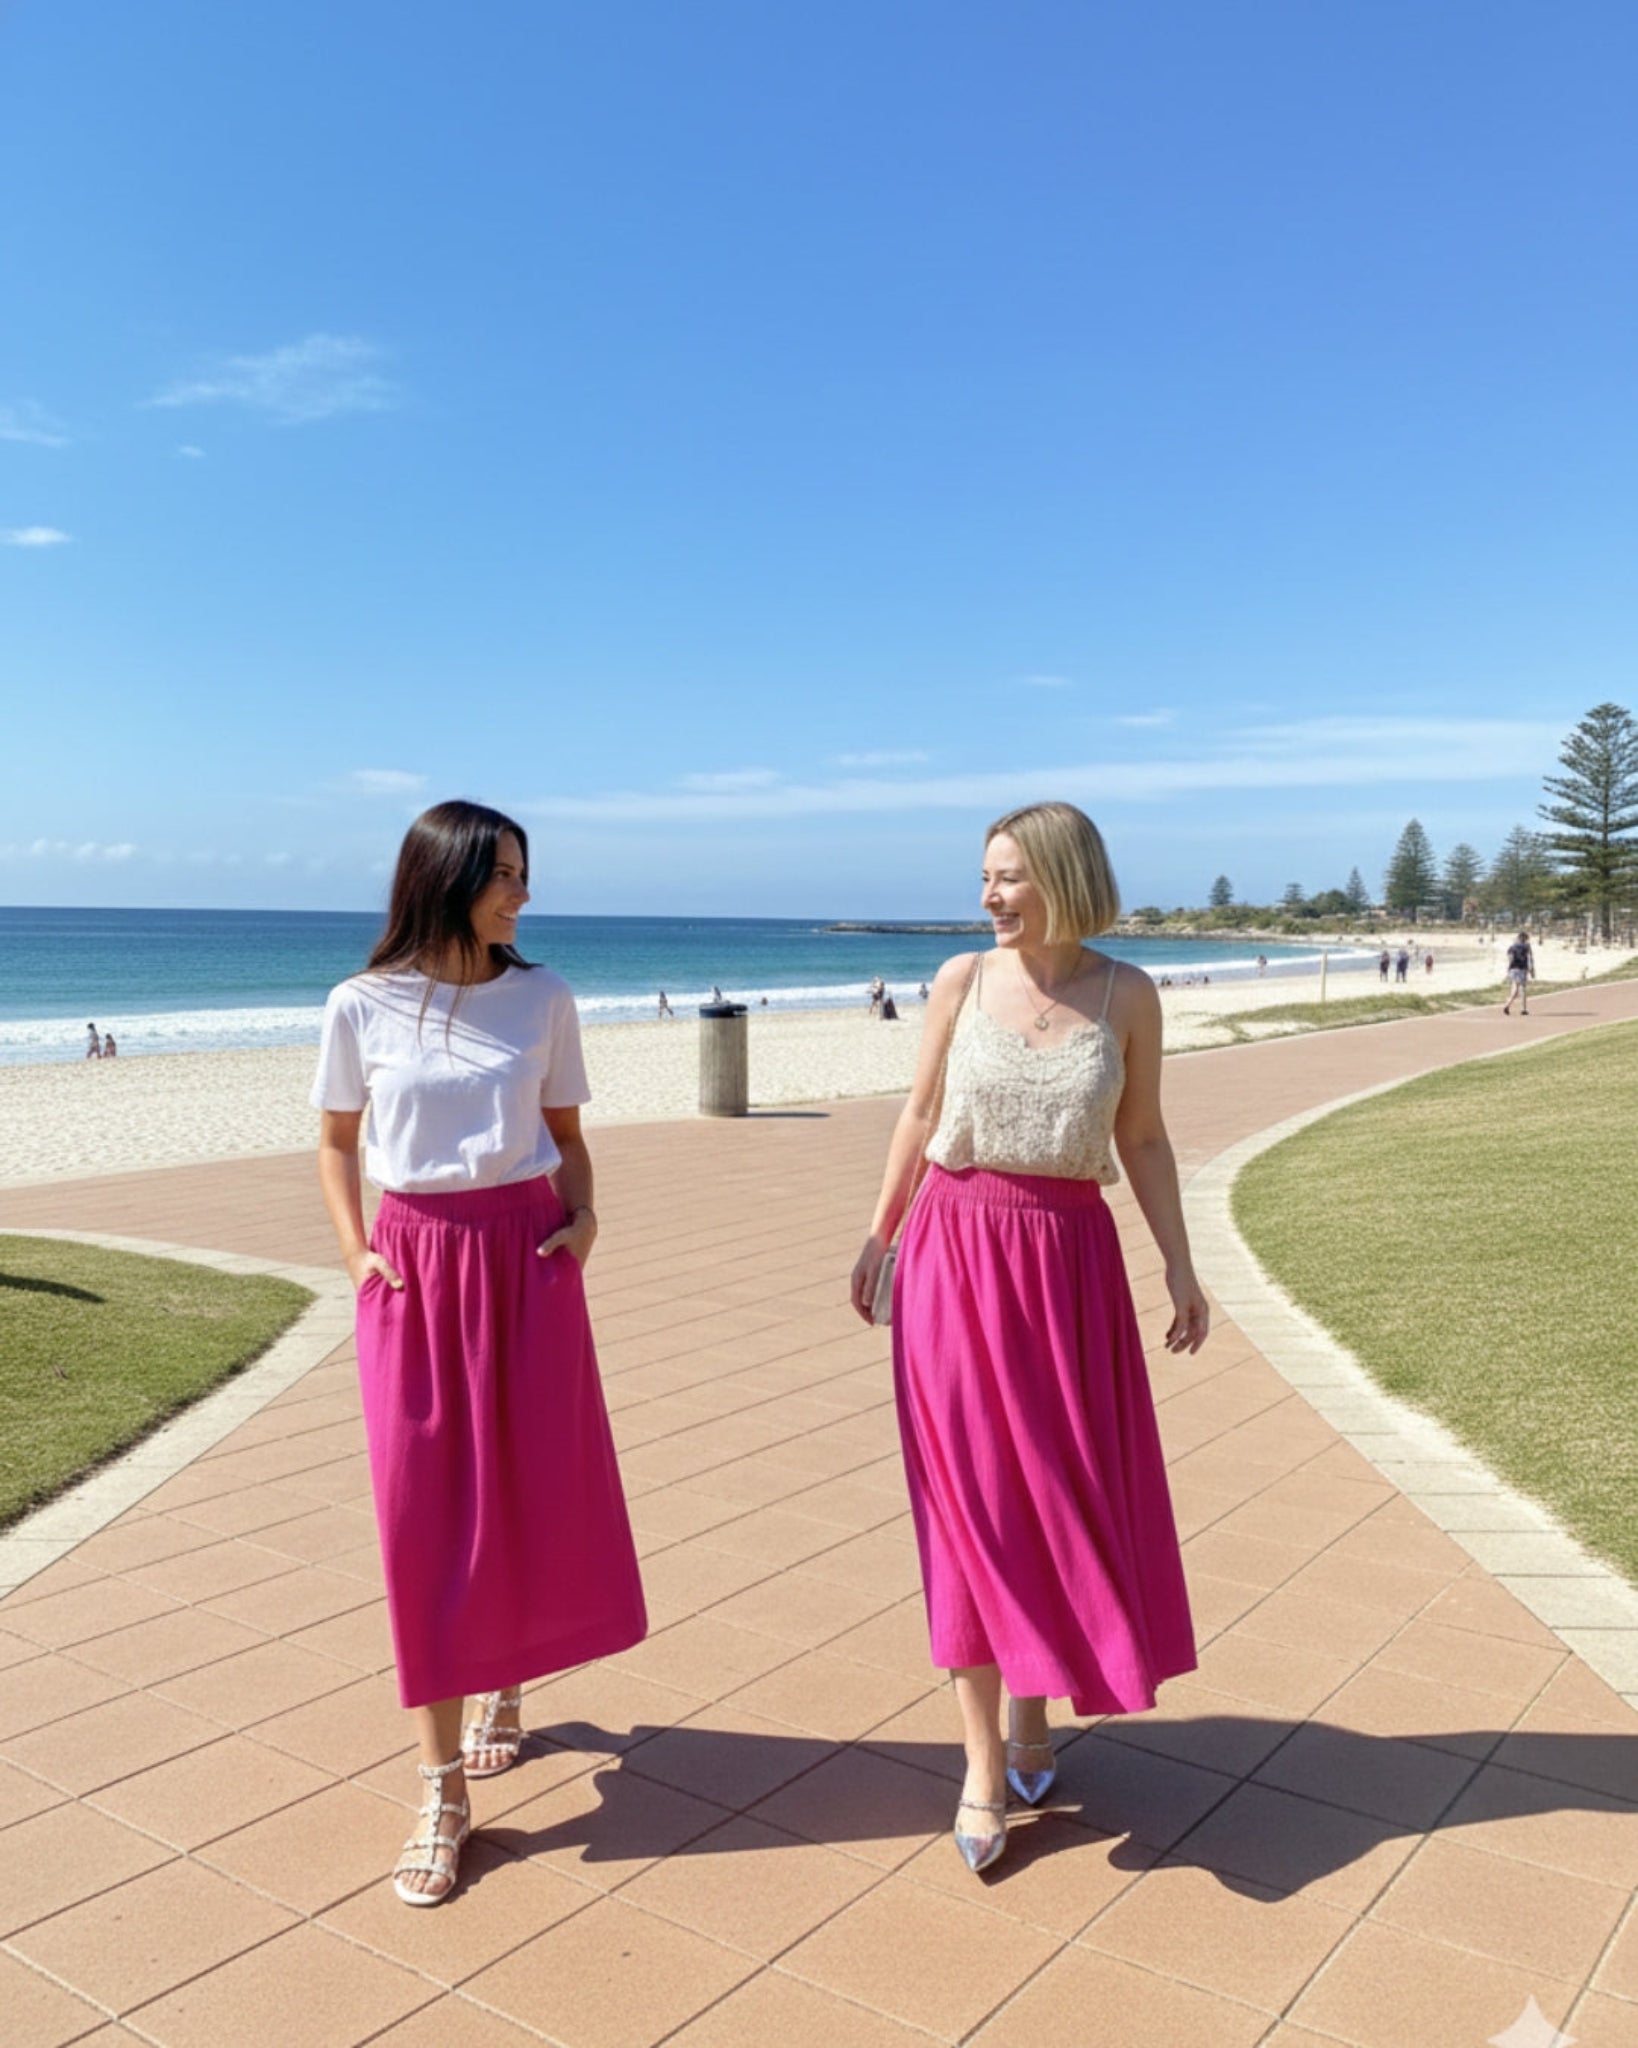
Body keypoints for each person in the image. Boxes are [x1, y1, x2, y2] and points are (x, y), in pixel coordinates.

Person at [850, 801, 1204, 1876]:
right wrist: (879, 1231)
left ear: (1063, 876)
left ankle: (1036, 1712)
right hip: (954, 1256)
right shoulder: (959, 981)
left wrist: (1181, 1265)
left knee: (1059, 1491)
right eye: (985, 877)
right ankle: (979, 1762)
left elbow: (1139, 1133)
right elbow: (918, 1113)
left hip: (1069, 1265)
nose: (990, 896)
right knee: (974, 1505)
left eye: (1009, 876)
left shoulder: (1128, 992)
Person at [312, 800, 646, 1907]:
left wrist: (587, 1220)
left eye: (523, 873)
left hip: (527, 1253)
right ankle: (441, 1785)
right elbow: (336, 1145)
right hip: (413, 1262)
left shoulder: (544, 995)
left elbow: (572, 1138)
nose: (522, 893)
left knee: (530, 1488)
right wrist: (359, 1255)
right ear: (443, 879)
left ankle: (509, 1686)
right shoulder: (360, 1004)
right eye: (503, 873)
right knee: (425, 1517)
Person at [1502, 930, 1535, 1015]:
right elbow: (1530, 958)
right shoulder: (1527, 946)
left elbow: (1510, 958)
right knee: (1522, 989)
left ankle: (1507, 1005)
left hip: (1513, 969)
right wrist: (1532, 970)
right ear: (1525, 938)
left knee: (1515, 989)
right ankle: (1523, 1008)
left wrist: (1508, 969)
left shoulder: (1512, 946)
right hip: (1522, 969)